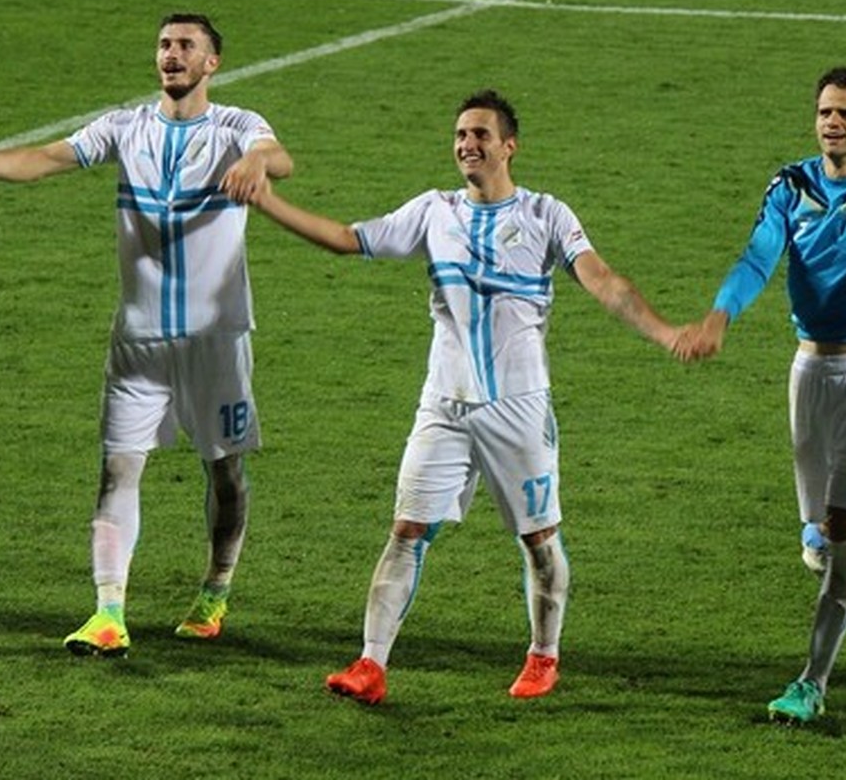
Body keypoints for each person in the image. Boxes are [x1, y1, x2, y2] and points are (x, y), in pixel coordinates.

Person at [243, 89, 680, 704]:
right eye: (460, 136)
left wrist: (665, 333)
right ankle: (370, 664)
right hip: (443, 405)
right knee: (407, 529)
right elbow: (348, 238)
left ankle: (543, 654)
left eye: (479, 135)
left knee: (538, 538)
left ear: (509, 146)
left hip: (518, 408)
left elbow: (603, 282)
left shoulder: (546, 215)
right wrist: (269, 202)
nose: (467, 145)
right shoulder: (433, 211)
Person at [0, 13, 293, 656]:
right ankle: (108, 612)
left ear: (211, 63)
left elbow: (281, 155)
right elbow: (49, 157)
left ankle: (216, 590)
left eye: (186, 46)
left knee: (224, 472)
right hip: (138, 338)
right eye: (165, 45)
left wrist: (255, 161)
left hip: (216, 337)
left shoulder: (235, 128)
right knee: (118, 470)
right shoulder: (125, 126)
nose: (171, 55)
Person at [675, 67, 846, 724]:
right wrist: (719, 314)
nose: (830, 123)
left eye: (845, 113)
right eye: (823, 112)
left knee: (844, 531)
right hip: (810, 370)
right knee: (819, 541)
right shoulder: (791, 184)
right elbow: (760, 255)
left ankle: (811, 682)